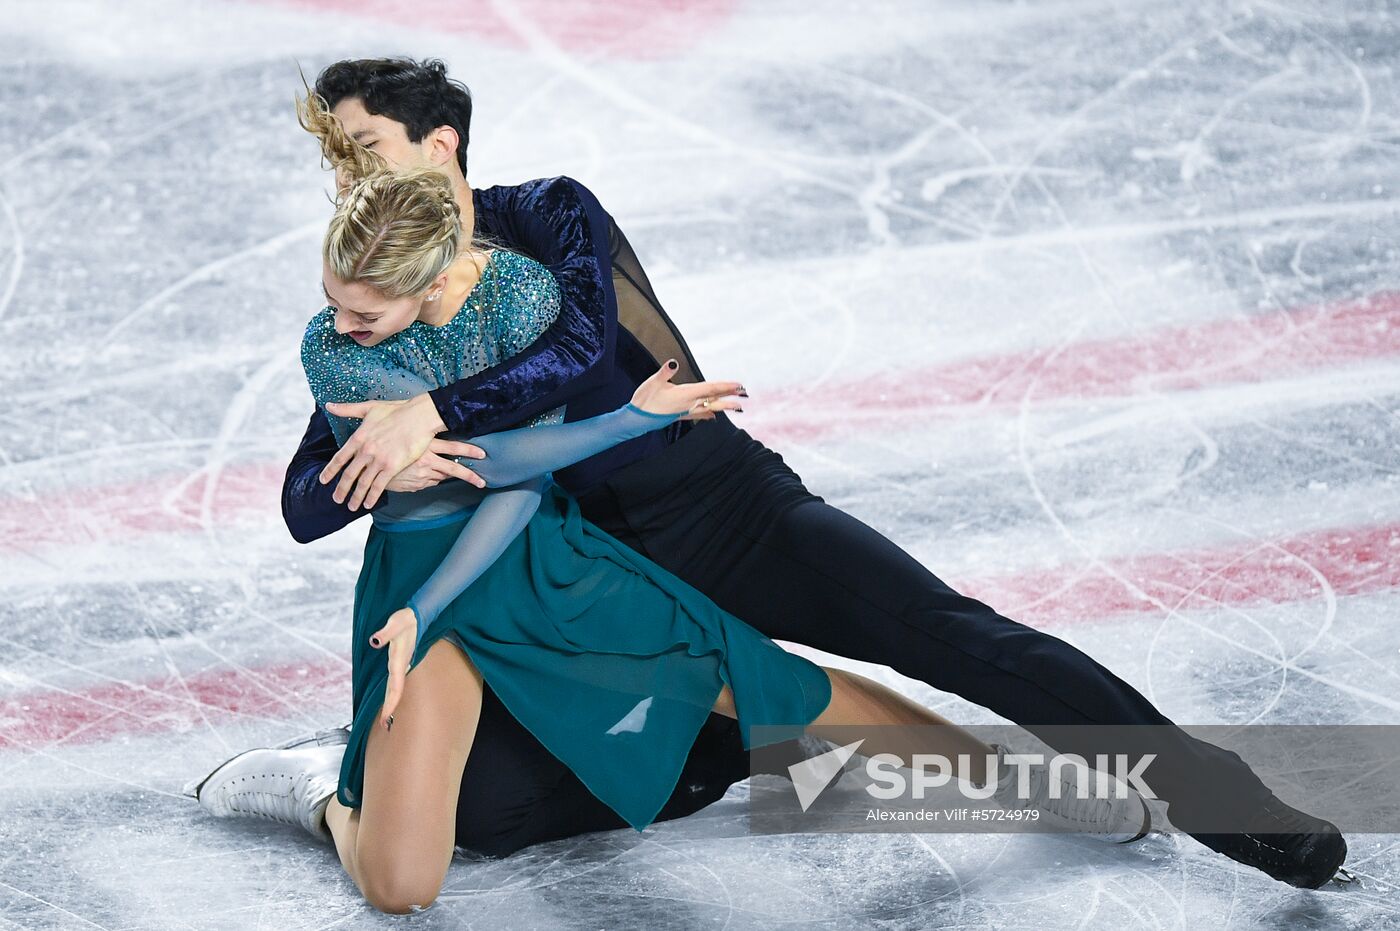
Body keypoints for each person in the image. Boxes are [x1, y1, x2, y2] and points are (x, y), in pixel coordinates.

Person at [274, 58, 1345, 889]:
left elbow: (584, 355)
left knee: (957, 636)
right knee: (489, 815)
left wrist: (433, 413)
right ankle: (740, 742)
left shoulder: (550, 213)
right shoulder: (372, 316)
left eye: (362, 146)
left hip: (720, 506)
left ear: (440, 142)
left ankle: (1223, 798)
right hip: (577, 573)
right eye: (337, 161)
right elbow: (308, 497)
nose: (348, 177)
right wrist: (377, 445)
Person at [189, 158, 1152, 915]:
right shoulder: (334, 342)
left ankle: (1026, 786)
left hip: (540, 557)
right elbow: (340, 498)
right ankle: (319, 792)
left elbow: (520, 484)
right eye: (335, 299)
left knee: (784, 690)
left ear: (438, 275)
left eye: (365, 309)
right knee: (403, 884)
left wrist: (620, 421)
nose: (337, 325)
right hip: (419, 583)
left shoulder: (525, 298)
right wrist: (429, 534)